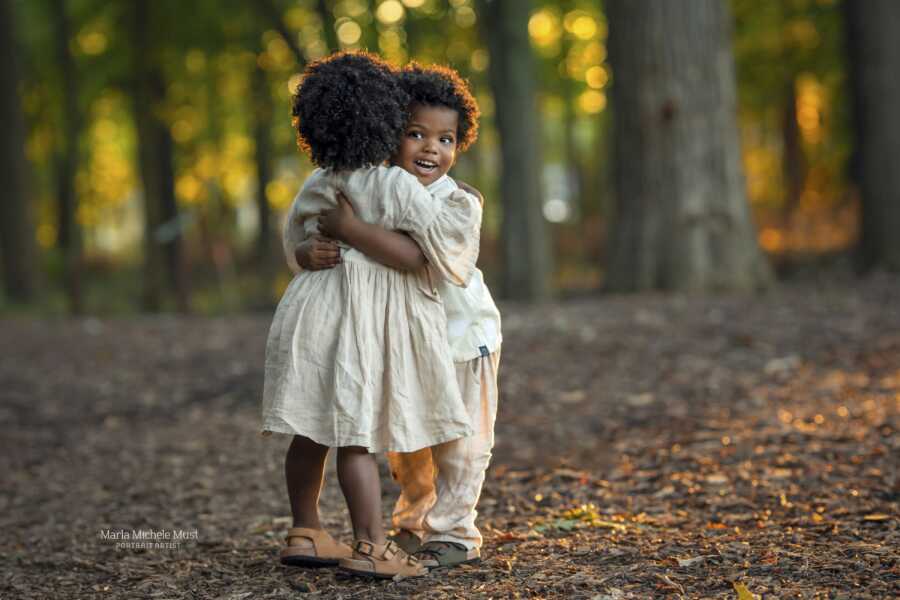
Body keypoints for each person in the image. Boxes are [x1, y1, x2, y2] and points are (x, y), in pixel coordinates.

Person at [261, 52, 483, 580]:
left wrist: (311, 250)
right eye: (415, 133)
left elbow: (296, 236)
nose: (429, 147)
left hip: (312, 311)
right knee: (356, 434)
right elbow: (427, 255)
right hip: (359, 318)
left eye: (444, 139)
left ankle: (306, 528)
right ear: (387, 126)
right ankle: (372, 546)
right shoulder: (395, 185)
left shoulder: (319, 180)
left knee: (311, 429)